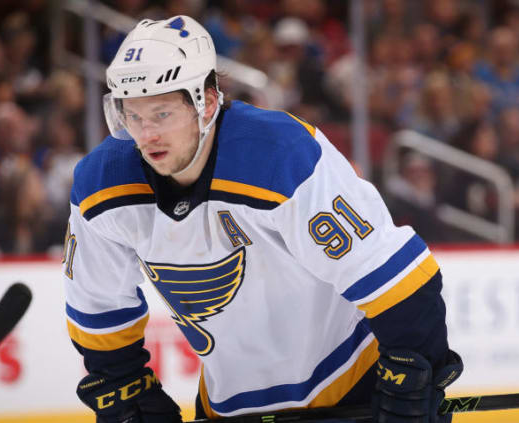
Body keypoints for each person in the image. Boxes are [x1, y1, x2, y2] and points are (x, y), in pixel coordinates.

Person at [62, 15, 461, 423]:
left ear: (207, 102)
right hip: (228, 406)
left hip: (352, 386)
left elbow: (391, 277)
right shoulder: (103, 183)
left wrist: (413, 371)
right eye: (133, 116)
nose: (146, 135)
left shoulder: (279, 156)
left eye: (162, 114)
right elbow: (98, 306)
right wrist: (123, 387)